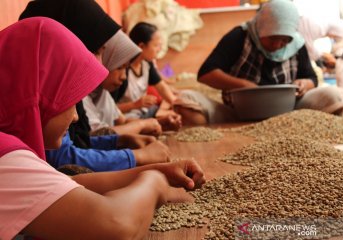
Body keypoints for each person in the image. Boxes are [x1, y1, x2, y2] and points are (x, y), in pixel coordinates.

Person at [0, 17, 205, 240]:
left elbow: (65, 185)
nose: (76, 116)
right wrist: (154, 184)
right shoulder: (6, 158)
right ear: (38, 94)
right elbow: (117, 225)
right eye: (69, 102)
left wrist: (156, 171)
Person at [20, 0, 171, 171]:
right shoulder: (42, 99)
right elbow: (62, 157)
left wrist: (120, 141)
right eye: (97, 51)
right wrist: (137, 156)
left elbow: (79, 141)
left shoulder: (57, 92)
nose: (101, 65)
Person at [186, 0, 343, 123]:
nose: (277, 45)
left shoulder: (297, 44)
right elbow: (205, 73)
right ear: (261, 28)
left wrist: (305, 84)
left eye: (284, 41)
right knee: (187, 99)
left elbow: (312, 78)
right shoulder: (239, 36)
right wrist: (242, 85)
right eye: (272, 38)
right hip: (238, 113)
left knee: (332, 95)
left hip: (289, 114)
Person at [112, 22, 181, 128]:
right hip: (125, 119)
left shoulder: (146, 64)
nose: (159, 49)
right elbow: (109, 109)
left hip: (144, 113)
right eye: (156, 45)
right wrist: (134, 105)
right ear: (141, 46)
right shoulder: (121, 71)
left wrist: (176, 103)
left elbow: (161, 86)